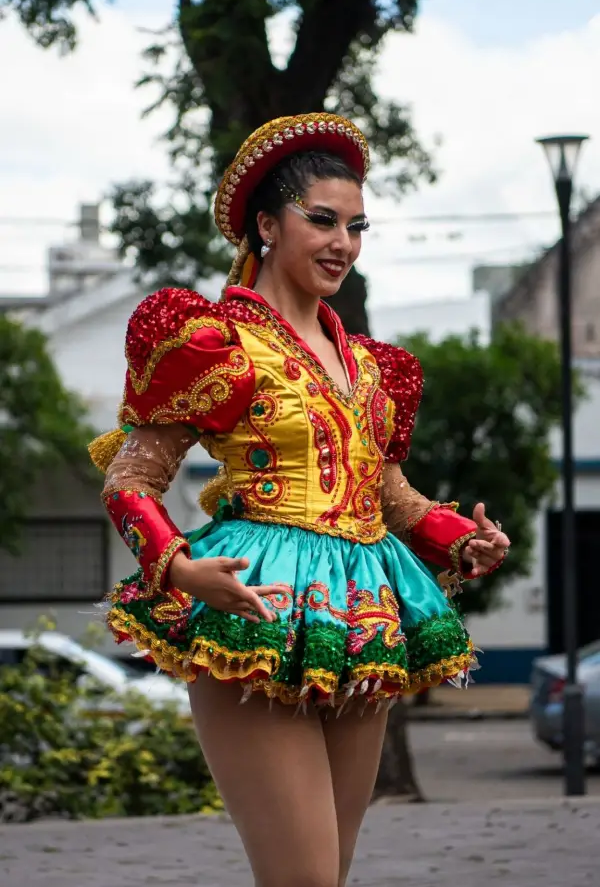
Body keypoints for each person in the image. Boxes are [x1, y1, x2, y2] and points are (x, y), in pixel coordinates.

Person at [89, 113, 510, 887]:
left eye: (356, 226)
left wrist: (457, 538)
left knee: (329, 876)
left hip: (364, 614)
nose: (342, 243)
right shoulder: (216, 341)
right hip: (258, 603)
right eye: (321, 220)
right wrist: (179, 570)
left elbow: (385, 490)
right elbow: (130, 479)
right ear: (266, 224)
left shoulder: (373, 366)